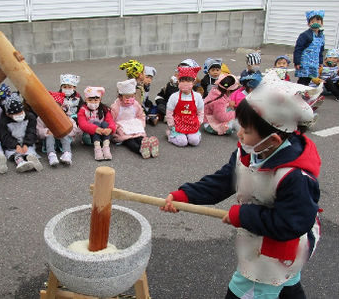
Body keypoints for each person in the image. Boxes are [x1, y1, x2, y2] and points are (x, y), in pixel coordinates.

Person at [161, 71, 321, 299]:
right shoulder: (252, 150)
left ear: (274, 139)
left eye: (246, 130)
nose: (239, 133)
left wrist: (244, 215)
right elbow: (224, 180)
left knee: (251, 288)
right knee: (286, 285)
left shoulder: (295, 177)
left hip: (275, 251)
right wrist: (185, 195)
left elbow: (292, 223)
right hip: (266, 244)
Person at [111, 79, 159, 159]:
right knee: (130, 141)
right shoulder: (115, 107)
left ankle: (149, 147)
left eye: (132, 96)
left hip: (134, 124)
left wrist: (140, 123)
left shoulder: (135, 104)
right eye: (127, 97)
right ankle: (140, 150)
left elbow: (141, 115)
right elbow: (111, 120)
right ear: (120, 97)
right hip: (122, 127)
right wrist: (116, 128)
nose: (130, 99)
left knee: (139, 137)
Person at [0, 93, 42, 172]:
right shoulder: (4, 122)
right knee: (14, 153)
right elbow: (5, 136)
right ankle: (20, 162)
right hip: (12, 145)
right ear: (8, 114)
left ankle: (32, 158)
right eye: (16, 114)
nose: (20, 115)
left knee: (30, 150)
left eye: (21, 112)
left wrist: (26, 144)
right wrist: (16, 145)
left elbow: (31, 131)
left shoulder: (30, 117)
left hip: (26, 141)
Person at [166, 66, 204, 147]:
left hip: (192, 124)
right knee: (182, 142)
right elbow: (169, 112)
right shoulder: (174, 96)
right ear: (178, 81)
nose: (185, 83)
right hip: (178, 124)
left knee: (194, 141)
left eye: (188, 80)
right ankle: (170, 135)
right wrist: (171, 124)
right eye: (182, 80)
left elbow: (200, 111)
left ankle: (194, 135)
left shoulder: (197, 96)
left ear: (193, 82)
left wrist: (199, 121)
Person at [37, 91, 78, 166]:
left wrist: (66, 131)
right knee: (50, 135)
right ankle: (51, 154)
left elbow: (74, 128)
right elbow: (38, 130)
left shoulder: (65, 116)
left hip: (63, 138)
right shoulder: (42, 117)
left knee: (64, 134)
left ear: (61, 107)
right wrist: (46, 131)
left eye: (56, 107)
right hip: (49, 138)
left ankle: (67, 153)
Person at [77, 86, 116, 161]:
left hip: (102, 133)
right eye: (90, 100)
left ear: (100, 99)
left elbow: (110, 120)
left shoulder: (104, 109)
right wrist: (95, 129)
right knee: (96, 123)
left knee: (105, 124)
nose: (93, 102)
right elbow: (82, 124)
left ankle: (106, 147)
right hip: (89, 135)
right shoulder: (83, 110)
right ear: (86, 99)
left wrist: (110, 129)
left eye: (96, 100)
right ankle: (97, 148)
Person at [294, 10, 325, 86]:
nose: (315, 23)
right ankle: (298, 94)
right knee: (303, 80)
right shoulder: (305, 35)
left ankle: (305, 94)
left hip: (314, 62)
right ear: (308, 24)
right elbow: (298, 49)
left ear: (322, 23)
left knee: (309, 79)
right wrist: (297, 62)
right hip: (304, 62)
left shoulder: (321, 36)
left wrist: (320, 62)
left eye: (318, 21)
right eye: (312, 21)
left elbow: (321, 50)